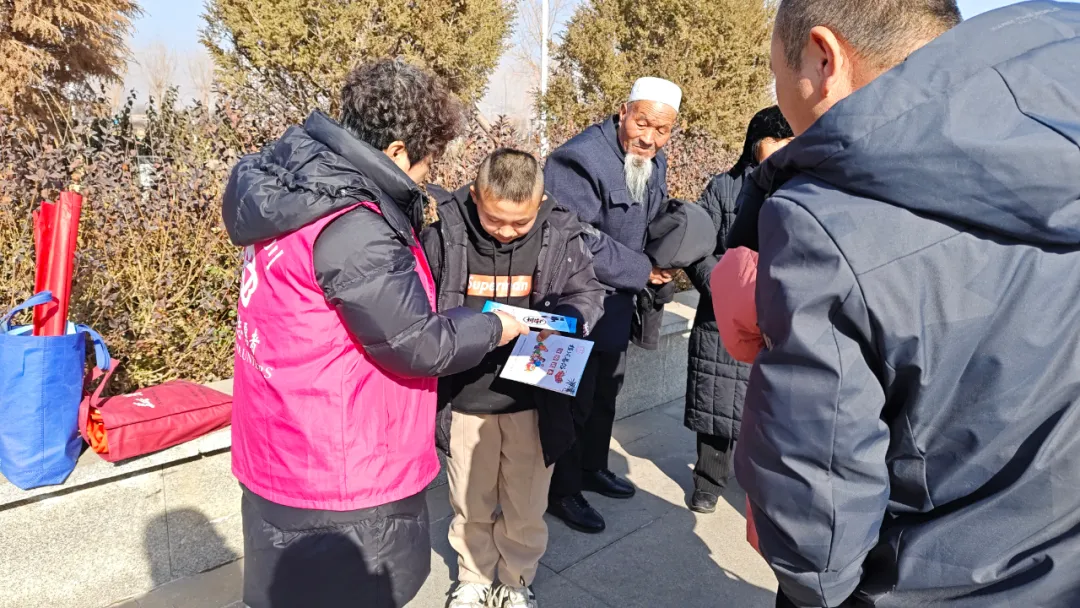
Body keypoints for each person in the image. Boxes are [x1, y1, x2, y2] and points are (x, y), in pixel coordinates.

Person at [734, 1, 1080, 607]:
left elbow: (817, 541)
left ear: (823, 57)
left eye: (775, 74)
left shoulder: (826, 221)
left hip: (926, 579)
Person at [220, 59, 529, 608]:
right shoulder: (353, 222)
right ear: (397, 150)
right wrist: (493, 325)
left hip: (279, 444)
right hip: (343, 467)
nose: (427, 177)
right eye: (428, 161)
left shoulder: (295, 193)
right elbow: (416, 342)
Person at [422, 148, 605, 608]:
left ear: (539, 203)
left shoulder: (561, 235)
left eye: (519, 223)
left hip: (534, 400)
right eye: (494, 219)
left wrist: (569, 319)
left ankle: (517, 579)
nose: (505, 232)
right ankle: (473, 577)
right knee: (470, 502)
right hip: (465, 398)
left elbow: (589, 293)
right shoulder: (444, 235)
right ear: (475, 195)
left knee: (526, 504)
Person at [543, 77, 682, 533]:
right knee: (570, 400)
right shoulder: (579, 159)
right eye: (642, 123)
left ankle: (592, 467)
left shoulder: (653, 158)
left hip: (618, 303)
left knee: (605, 393)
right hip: (576, 300)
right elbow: (574, 237)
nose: (649, 138)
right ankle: (561, 490)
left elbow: (651, 217)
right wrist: (643, 269)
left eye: (662, 130)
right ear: (623, 111)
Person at [682, 107, 792, 514]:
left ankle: (759, 484)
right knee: (717, 400)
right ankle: (708, 480)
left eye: (790, 139)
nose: (782, 148)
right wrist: (724, 289)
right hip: (724, 315)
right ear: (754, 143)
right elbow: (698, 247)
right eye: (774, 139)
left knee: (767, 410)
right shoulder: (724, 188)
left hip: (778, 315)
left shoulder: (808, 185)